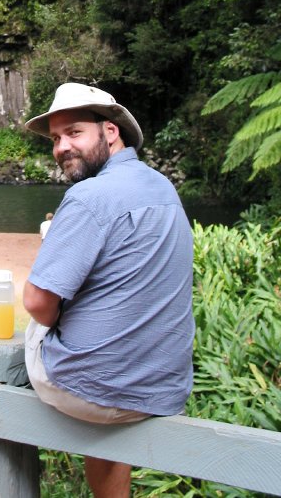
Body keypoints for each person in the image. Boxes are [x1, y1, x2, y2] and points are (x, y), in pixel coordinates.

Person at [22, 82, 194, 498]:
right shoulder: (163, 188)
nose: (62, 146)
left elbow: (37, 302)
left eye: (74, 132)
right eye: (56, 138)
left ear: (110, 132)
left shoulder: (88, 197)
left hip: (93, 391)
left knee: (12, 330)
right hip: (161, 386)